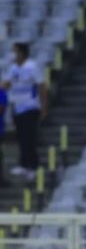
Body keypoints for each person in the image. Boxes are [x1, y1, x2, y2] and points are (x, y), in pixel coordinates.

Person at [1, 42, 48, 181]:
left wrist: (44, 106)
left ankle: (33, 166)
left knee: (29, 137)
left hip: (30, 106)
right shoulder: (13, 68)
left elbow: (42, 86)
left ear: (22, 52)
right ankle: (23, 164)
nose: (13, 54)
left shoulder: (32, 66)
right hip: (17, 106)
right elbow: (5, 84)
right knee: (21, 137)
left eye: (15, 51)